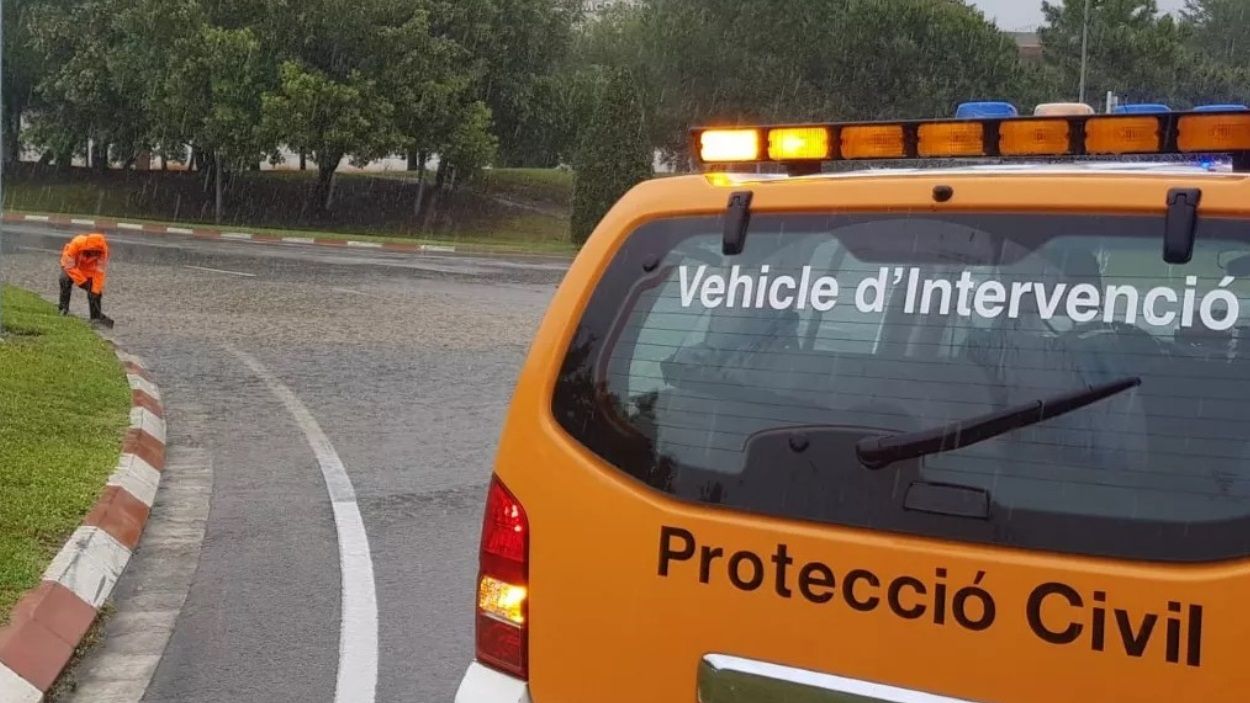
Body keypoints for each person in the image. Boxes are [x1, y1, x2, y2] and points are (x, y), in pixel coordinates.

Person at [58, 232, 114, 328]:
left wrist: (95, 290)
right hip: (70, 266)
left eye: (98, 251)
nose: (96, 253)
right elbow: (69, 266)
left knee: (95, 291)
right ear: (88, 247)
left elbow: (99, 272)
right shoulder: (77, 243)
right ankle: (63, 308)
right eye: (94, 251)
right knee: (64, 280)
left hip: (87, 271)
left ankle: (95, 317)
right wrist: (83, 282)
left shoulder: (103, 250)